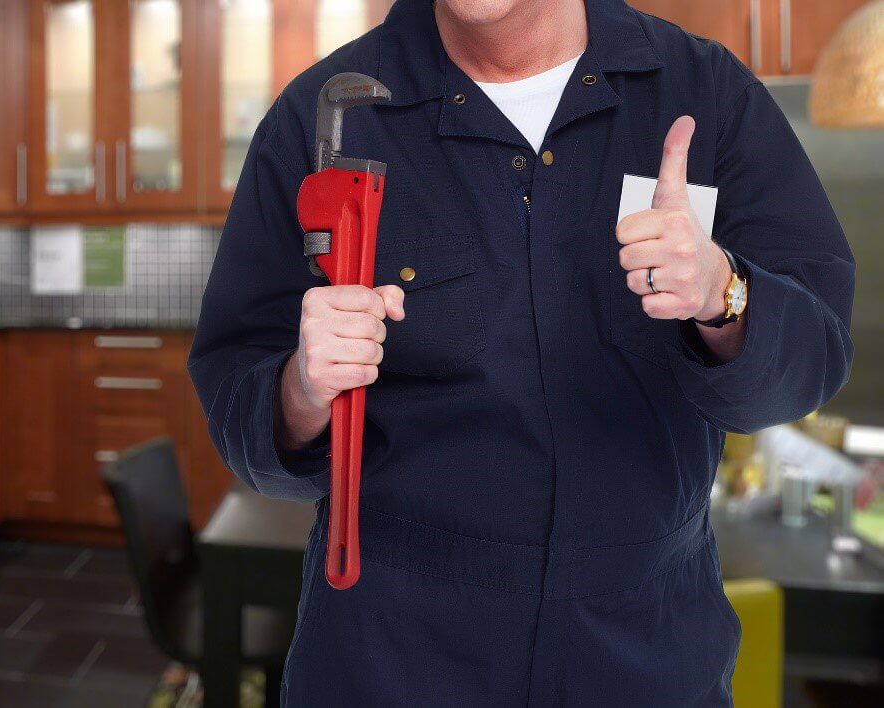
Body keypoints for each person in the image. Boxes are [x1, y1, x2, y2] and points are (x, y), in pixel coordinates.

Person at [187, 0, 855, 704]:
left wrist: (725, 294)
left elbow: (806, 366)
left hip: (646, 655)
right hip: (389, 657)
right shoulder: (319, 118)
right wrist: (302, 389)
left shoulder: (705, 91)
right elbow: (240, 410)